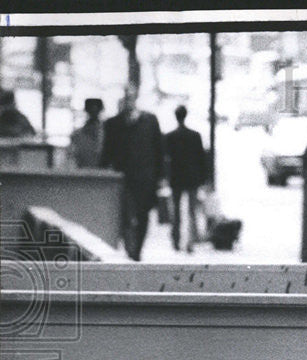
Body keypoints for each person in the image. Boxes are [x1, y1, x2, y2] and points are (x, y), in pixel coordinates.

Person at [99, 84, 164, 261]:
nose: (129, 100)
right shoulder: (113, 124)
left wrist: (160, 177)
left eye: (131, 96)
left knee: (143, 214)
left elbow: (158, 150)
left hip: (145, 177)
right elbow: (107, 151)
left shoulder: (150, 121)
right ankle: (130, 246)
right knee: (125, 212)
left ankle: (137, 250)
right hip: (123, 177)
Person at [164, 105, 207, 252]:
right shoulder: (195, 136)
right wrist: (203, 179)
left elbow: (166, 160)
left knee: (175, 212)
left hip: (176, 178)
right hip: (192, 178)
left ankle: (176, 240)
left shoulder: (170, 137)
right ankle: (190, 242)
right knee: (191, 211)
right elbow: (201, 159)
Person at [69, 98, 104, 168]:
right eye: (91, 110)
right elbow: (73, 158)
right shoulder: (77, 135)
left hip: (101, 174)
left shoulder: (107, 134)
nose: (94, 112)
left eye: (96, 110)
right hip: (85, 174)